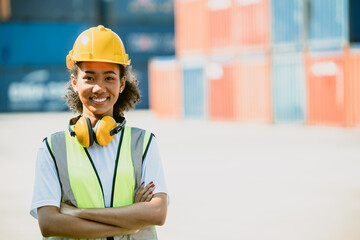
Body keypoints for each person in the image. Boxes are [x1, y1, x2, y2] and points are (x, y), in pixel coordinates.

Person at [30, 25, 168, 240]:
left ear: (122, 83)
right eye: (90, 78)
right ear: (75, 82)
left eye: (109, 78)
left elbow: (157, 213)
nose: (99, 88)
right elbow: (49, 223)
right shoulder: (52, 148)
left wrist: (77, 213)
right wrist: (132, 219)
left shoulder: (144, 143)